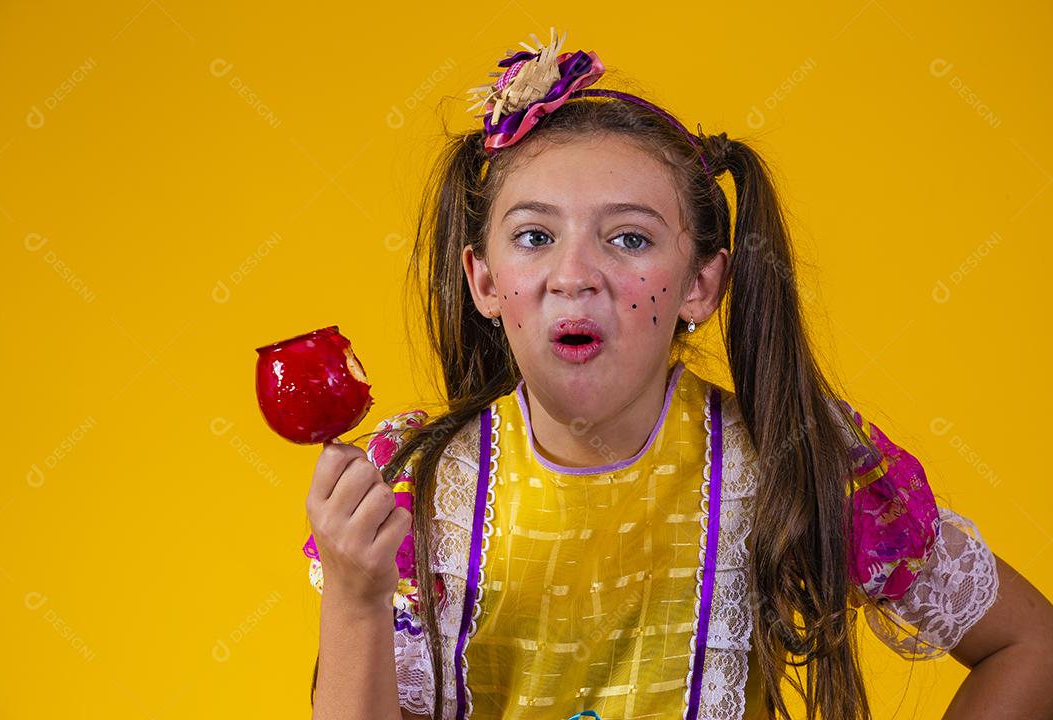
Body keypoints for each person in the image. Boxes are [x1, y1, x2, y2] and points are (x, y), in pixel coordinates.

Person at [303, 28, 1053, 720]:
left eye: (629, 238)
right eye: (535, 236)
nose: (575, 276)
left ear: (700, 283)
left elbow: (1030, 649)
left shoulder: (790, 454)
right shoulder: (415, 485)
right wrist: (355, 595)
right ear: (485, 282)